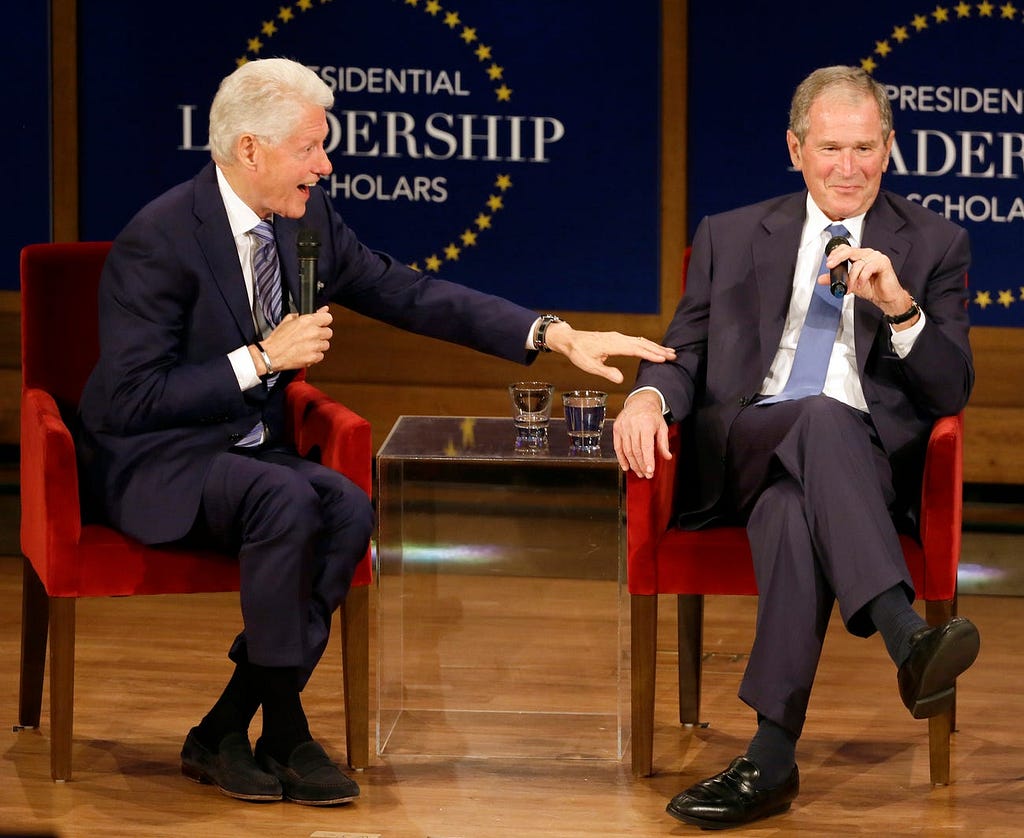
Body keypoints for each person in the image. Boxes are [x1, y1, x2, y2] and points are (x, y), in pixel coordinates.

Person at [75, 57, 675, 807]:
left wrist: (550, 334)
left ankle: (227, 724)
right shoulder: (159, 237)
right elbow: (132, 398)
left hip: (250, 456)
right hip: (156, 458)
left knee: (350, 507)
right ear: (250, 149)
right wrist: (259, 357)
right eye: (309, 149)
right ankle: (286, 728)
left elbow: (410, 293)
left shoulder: (309, 222)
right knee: (287, 501)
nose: (325, 166)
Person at [613, 65, 980, 830]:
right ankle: (904, 634)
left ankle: (769, 760)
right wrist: (648, 395)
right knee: (812, 416)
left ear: (889, 149)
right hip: (745, 444)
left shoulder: (935, 245)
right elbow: (682, 352)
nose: (848, 168)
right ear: (795, 149)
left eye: (865, 148)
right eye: (830, 149)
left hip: (863, 470)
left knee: (791, 512)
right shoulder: (733, 233)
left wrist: (900, 307)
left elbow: (949, 394)